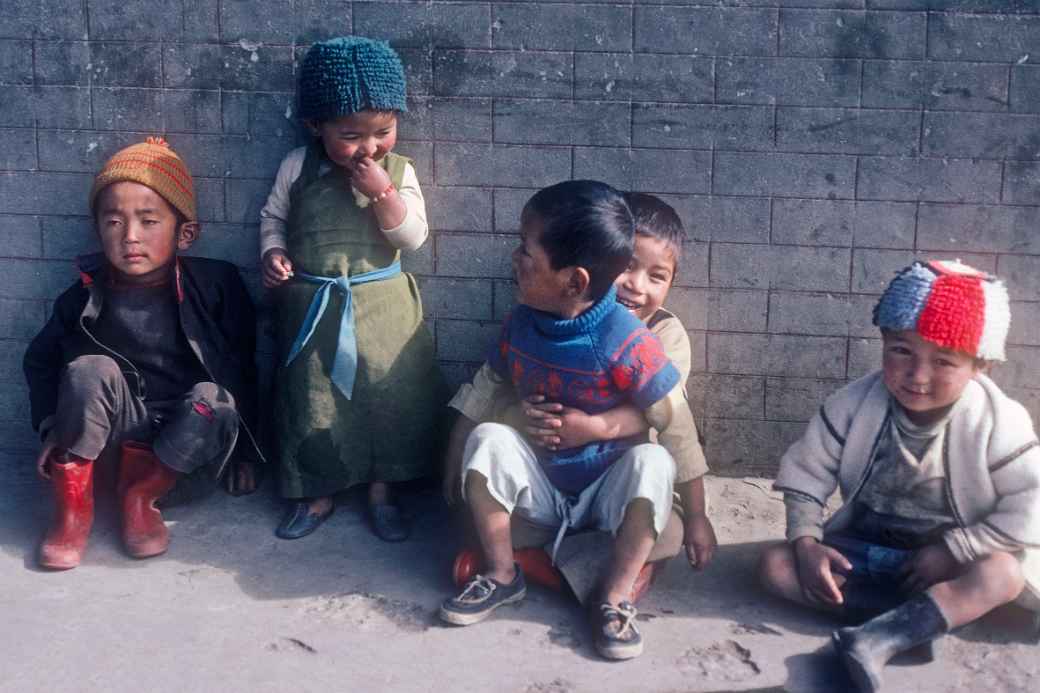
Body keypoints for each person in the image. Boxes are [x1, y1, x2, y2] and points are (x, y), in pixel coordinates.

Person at [758, 260, 1040, 692]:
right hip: (869, 549)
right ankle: (914, 624)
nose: (917, 376)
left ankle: (877, 636)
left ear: (981, 366)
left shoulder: (1000, 420)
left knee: (1003, 575)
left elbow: (1030, 504)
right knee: (776, 567)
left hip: (951, 560)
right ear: (884, 342)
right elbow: (805, 475)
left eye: (943, 361)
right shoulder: (853, 403)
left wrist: (956, 548)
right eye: (901, 351)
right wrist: (807, 543)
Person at [439, 180, 688, 660]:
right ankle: (512, 572)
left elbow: (669, 419)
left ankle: (607, 591)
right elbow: (494, 390)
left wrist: (593, 428)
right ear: (595, 271)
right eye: (625, 266)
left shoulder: (661, 338)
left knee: (665, 521)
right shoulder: (533, 320)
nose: (632, 284)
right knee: (479, 493)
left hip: (613, 486)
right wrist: (500, 427)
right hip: (550, 480)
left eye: (654, 275)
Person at [23, 137, 262, 570]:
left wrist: (246, 451)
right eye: (114, 222)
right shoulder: (81, 298)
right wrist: (52, 426)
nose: (130, 237)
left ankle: (142, 499)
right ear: (98, 229)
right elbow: (40, 361)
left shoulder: (217, 287)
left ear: (185, 233)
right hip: (110, 446)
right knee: (88, 369)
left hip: (184, 454)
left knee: (213, 398)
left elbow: (245, 365)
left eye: (149, 221)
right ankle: (72, 514)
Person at [260, 36, 445, 543]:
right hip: (313, 310)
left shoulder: (399, 172)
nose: (369, 147)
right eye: (350, 135)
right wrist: (272, 253)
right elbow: (274, 216)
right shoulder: (297, 166)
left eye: (382, 131)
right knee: (315, 400)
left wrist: (382, 193)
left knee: (391, 400)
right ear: (314, 126)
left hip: (384, 311)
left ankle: (385, 490)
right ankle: (317, 491)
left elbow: (411, 236)